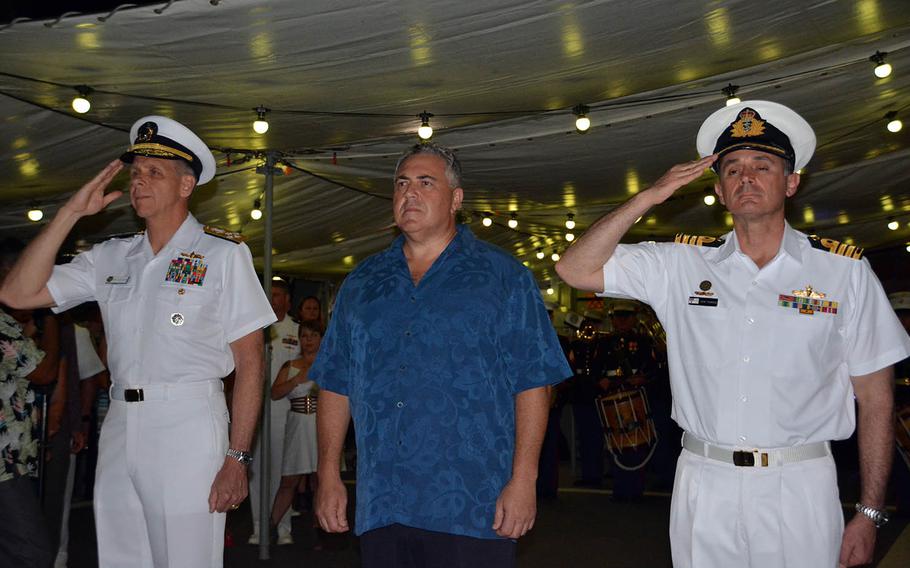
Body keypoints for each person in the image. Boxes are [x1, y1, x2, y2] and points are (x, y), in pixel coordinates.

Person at [556, 100, 910, 568]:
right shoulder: (681, 264)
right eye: (732, 169)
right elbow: (574, 268)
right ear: (720, 190)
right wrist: (650, 196)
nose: (747, 178)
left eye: (763, 166)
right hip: (706, 480)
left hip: (799, 483)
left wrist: (868, 512)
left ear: (791, 182)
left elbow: (877, 398)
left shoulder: (842, 271)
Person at [0, 115, 276, 567]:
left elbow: (250, 361)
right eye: (136, 172)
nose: (139, 182)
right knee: (122, 557)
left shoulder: (222, 254)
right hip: (121, 423)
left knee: (185, 558)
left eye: (154, 173)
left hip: (187, 422)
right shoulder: (112, 255)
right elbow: (16, 292)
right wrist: (70, 212)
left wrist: (238, 457)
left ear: (186, 186)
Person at [311, 142, 571, 567]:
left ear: (456, 199)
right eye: (401, 184)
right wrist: (328, 474)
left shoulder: (503, 278)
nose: (408, 194)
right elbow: (336, 382)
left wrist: (524, 479)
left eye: (425, 183)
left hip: (472, 503)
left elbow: (534, 380)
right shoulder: (362, 283)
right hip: (384, 502)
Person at [248, 278, 299, 546]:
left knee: (283, 470)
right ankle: (258, 525)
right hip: (256, 406)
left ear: (288, 300)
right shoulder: (256, 327)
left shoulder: (297, 331)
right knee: (257, 468)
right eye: (270, 294)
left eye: (279, 294)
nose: (274, 298)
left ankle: (282, 526)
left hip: (285, 408)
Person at [269, 320, 322, 538]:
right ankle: (269, 529)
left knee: (322, 478)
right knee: (289, 480)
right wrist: (296, 381)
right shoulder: (290, 366)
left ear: (321, 338)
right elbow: (274, 393)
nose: (308, 340)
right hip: (298, 423)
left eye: (313, 335)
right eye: (304, 336)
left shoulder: (329, 363)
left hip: (321, 424)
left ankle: (323, 529)